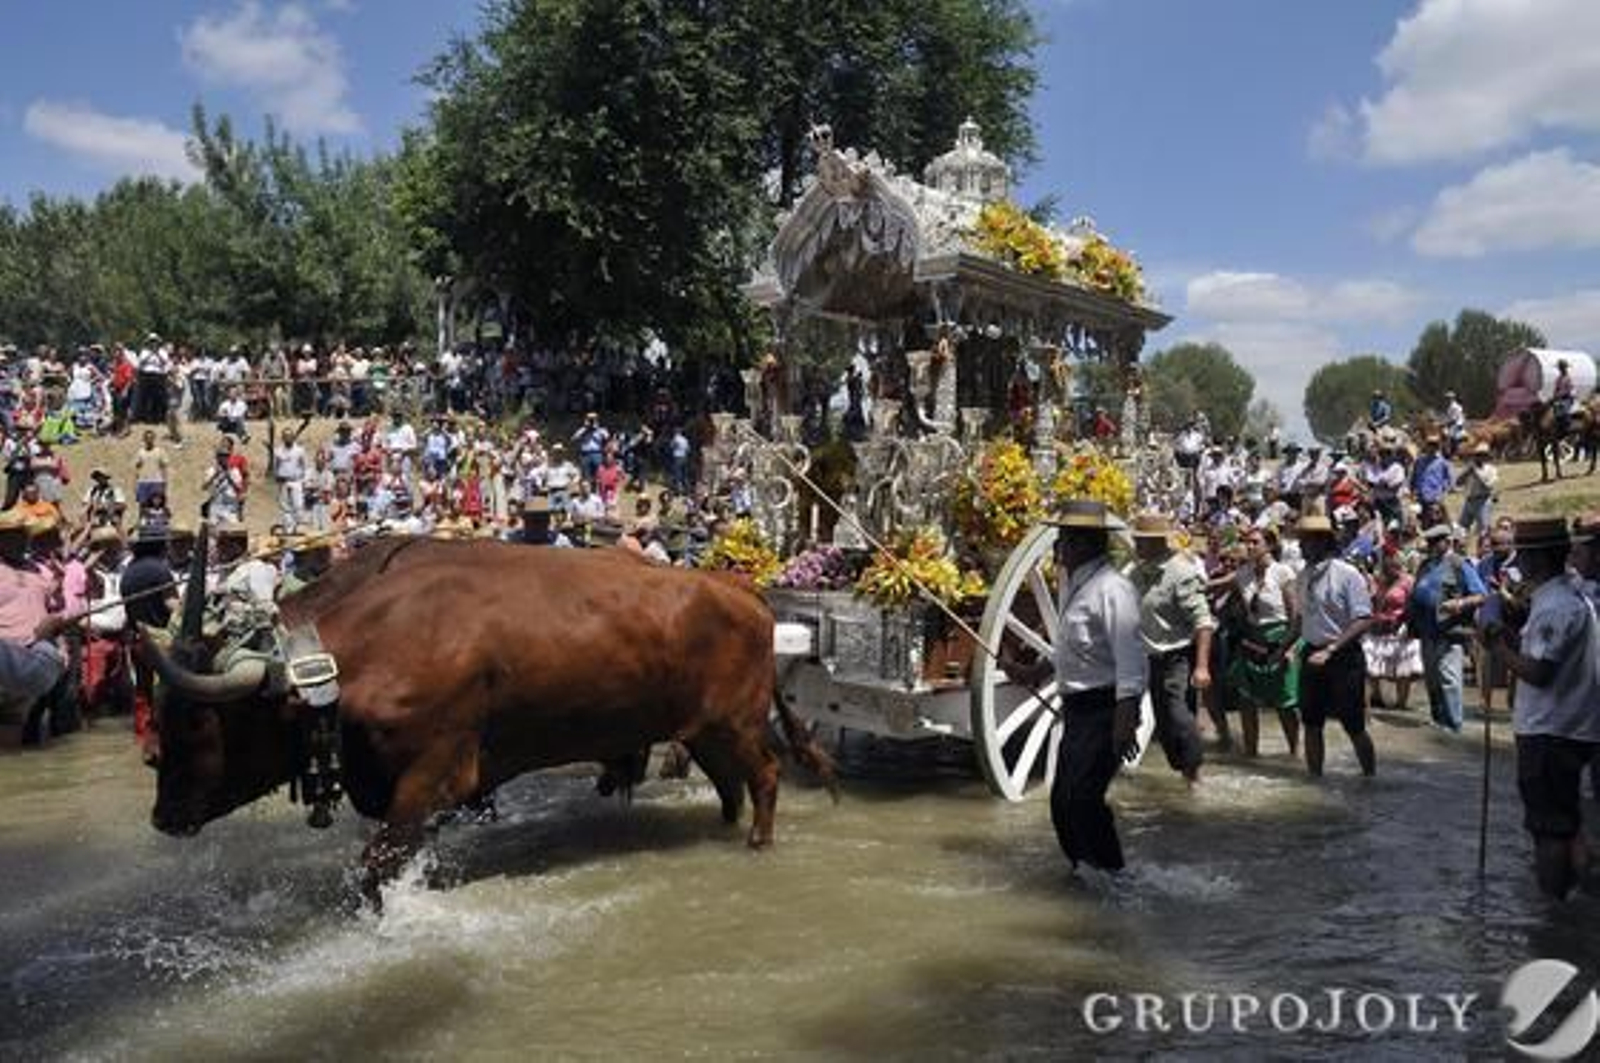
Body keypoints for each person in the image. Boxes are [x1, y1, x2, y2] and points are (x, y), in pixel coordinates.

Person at [1001, 500, 1144, 873]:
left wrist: (1125, 720)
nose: (1056, 549)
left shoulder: (1113, 589)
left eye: (1061, 540)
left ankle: (1115, 876)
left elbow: (1131, 660)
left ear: (1080, 545)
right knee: (1062, 802)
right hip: (1078, 711)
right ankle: (1083, 872)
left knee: (1083, 799)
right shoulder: (1077, 586)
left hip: (1106, 708)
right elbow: (1075, 648)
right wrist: (1031, 674)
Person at [1490, 517, 1600, 899]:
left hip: (1550, 731)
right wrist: (1506, 636)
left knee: (1548, 830)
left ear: (1537, 559)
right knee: (1566, 824)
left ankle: (1552, 915)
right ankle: (1578, 904)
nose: (1519, 563)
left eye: (1523, 555)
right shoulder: (1569, 597)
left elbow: (1538, 672)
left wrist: (1497, 650)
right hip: (1569, 726)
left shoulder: (1556, 605)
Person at [1128, 513, 1212, 786]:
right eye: (1136, 540)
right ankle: (1186, 772)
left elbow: (1203, 622)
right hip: (1145, 659)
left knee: (1177, 717)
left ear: (1157, 543)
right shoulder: (1137, 572)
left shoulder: (1180, 573)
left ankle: (1196, 774)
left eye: (1142, 541)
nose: (1136, 545)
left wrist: (1201, 667)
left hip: (1175, 659)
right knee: (1164, 725)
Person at [1292, 514, 1377, 777]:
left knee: (1353, 725)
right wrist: (1283, 647)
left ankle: (1369, 778)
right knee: (1311, 722)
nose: (1300, 547)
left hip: (1343, 655)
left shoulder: (1347, 574)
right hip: (1311, 653)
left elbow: (1363, 619)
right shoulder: (1304, 575)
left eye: (1305, 541)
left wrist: (1331, 650)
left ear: (1321, 542)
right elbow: (1301, 619)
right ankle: (1314, 779)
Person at [1227, 527, 1301, 758]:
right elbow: (1222, 590)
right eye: (1247, 542)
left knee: (1285, 703)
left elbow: (1296, 616)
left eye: (1255, 542)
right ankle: (1251, 754)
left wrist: (1288, 648)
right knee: (1246, 701)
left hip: (1280, 638)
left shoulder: (1283, 572)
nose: (1249, 546)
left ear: (1269, 545)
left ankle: (1295, 753)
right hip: (1252, 639)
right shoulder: (1242, 574)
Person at [1408, 524, 1486, 733]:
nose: (1432, 546)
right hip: (1426, 631)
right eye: (1430, 542)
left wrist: (1459, 604)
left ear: (1448, 542)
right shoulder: (1425, 565)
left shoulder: (1460, 565)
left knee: (1449, 679)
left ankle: (1454, 725)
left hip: (1450, 631)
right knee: (1432, 678)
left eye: (1437, 541)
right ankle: (1438, 721)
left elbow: (1480, 595)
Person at [0, 513, 69, 743]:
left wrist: (62, 646)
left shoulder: (37, 569)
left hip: (38, 654)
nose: (20, 541)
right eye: (12, 537)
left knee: (24, 729)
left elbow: (53, 608)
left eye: (22, 536)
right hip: (7, 654)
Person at [1456, 443, 1497, 537]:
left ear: (1486, 456)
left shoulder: (1491, 469)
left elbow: (1488, 486)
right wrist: (1465, 473)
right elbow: (1458, 482)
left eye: (1482, 455)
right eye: (1477, 455)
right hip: (1469, 501)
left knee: (1483, 531)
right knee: (1461, 529)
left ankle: (1484, 550)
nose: (1478, 457)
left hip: (1482, 501)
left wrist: (1476, 473)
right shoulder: (1469, 468)